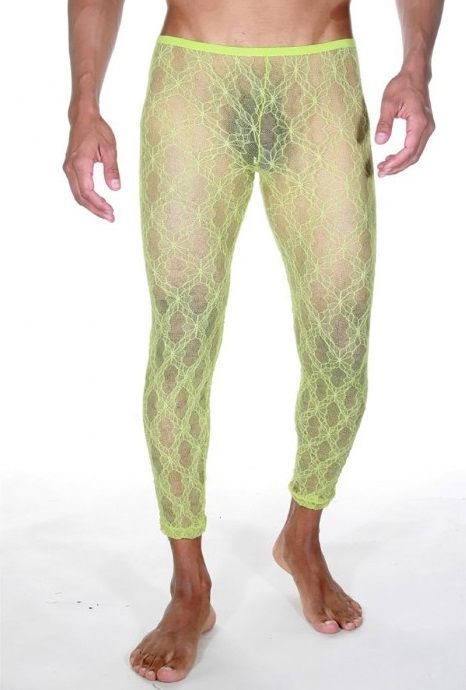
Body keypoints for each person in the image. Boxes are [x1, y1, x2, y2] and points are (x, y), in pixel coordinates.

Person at [63, 0, 444, 683]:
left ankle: (302, 536)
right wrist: (83, 105)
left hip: (322, 75)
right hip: (194, 79)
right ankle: (189, 585)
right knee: (182, 330)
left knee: (341, 329)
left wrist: (416, 67)